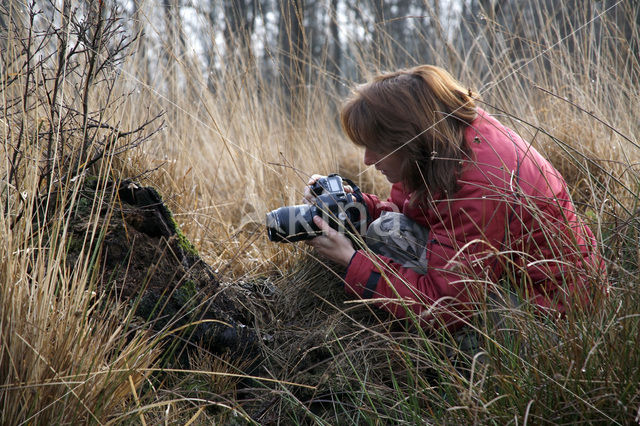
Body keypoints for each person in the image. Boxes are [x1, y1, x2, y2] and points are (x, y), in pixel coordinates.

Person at [305, 64, 606, 332]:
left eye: (376, 147)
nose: (368, 160)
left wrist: (351, 260)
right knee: (386, 229)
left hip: (556, 318)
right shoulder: (443, 147)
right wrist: (355, 206)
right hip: (513, 283)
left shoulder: (480, 183)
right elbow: (413, 216)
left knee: (386, 238)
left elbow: (444, 307)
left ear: (408, 139)